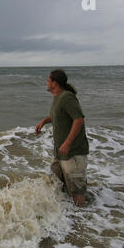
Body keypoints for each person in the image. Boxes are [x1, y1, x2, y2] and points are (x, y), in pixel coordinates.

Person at [35, 69, 89, 206]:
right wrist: (44, 121)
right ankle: (68, 219)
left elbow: (79, 120)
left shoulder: (67, 97)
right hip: (60, 153)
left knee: (77, 193)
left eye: (48, 80)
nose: (46, 83)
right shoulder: (57, 97)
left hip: (73, 153)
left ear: (55, 82)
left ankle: (82, 222)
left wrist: (68, 143)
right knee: (57, 184)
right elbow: (60, 116)